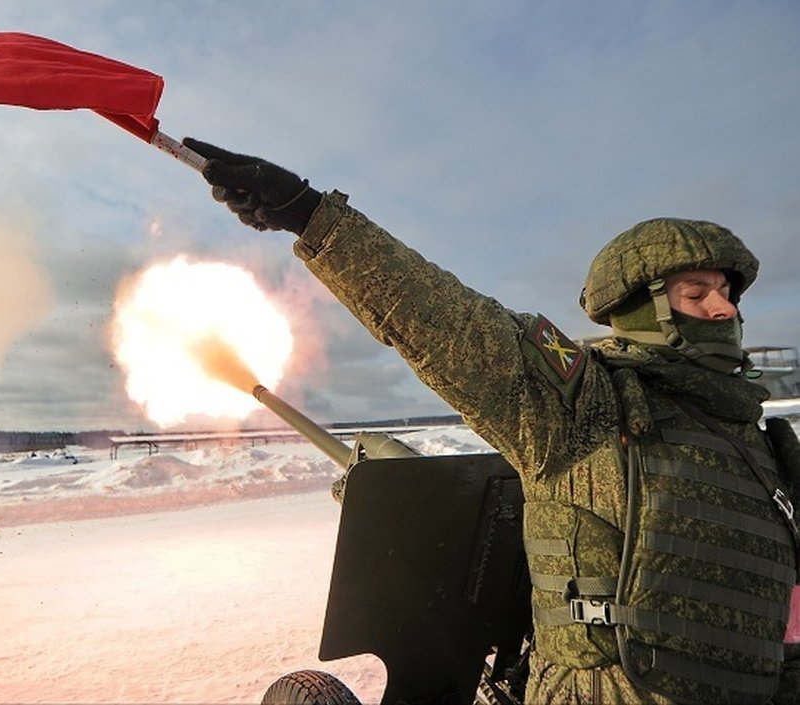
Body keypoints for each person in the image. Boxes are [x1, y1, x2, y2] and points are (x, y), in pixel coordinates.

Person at [181, 137, 800, 705]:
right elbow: (451, 325)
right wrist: (309, 213)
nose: (723, 310)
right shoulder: (588, 406)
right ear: (642, 308)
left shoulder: (760, 441)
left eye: (727, 293)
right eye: (697, 294)